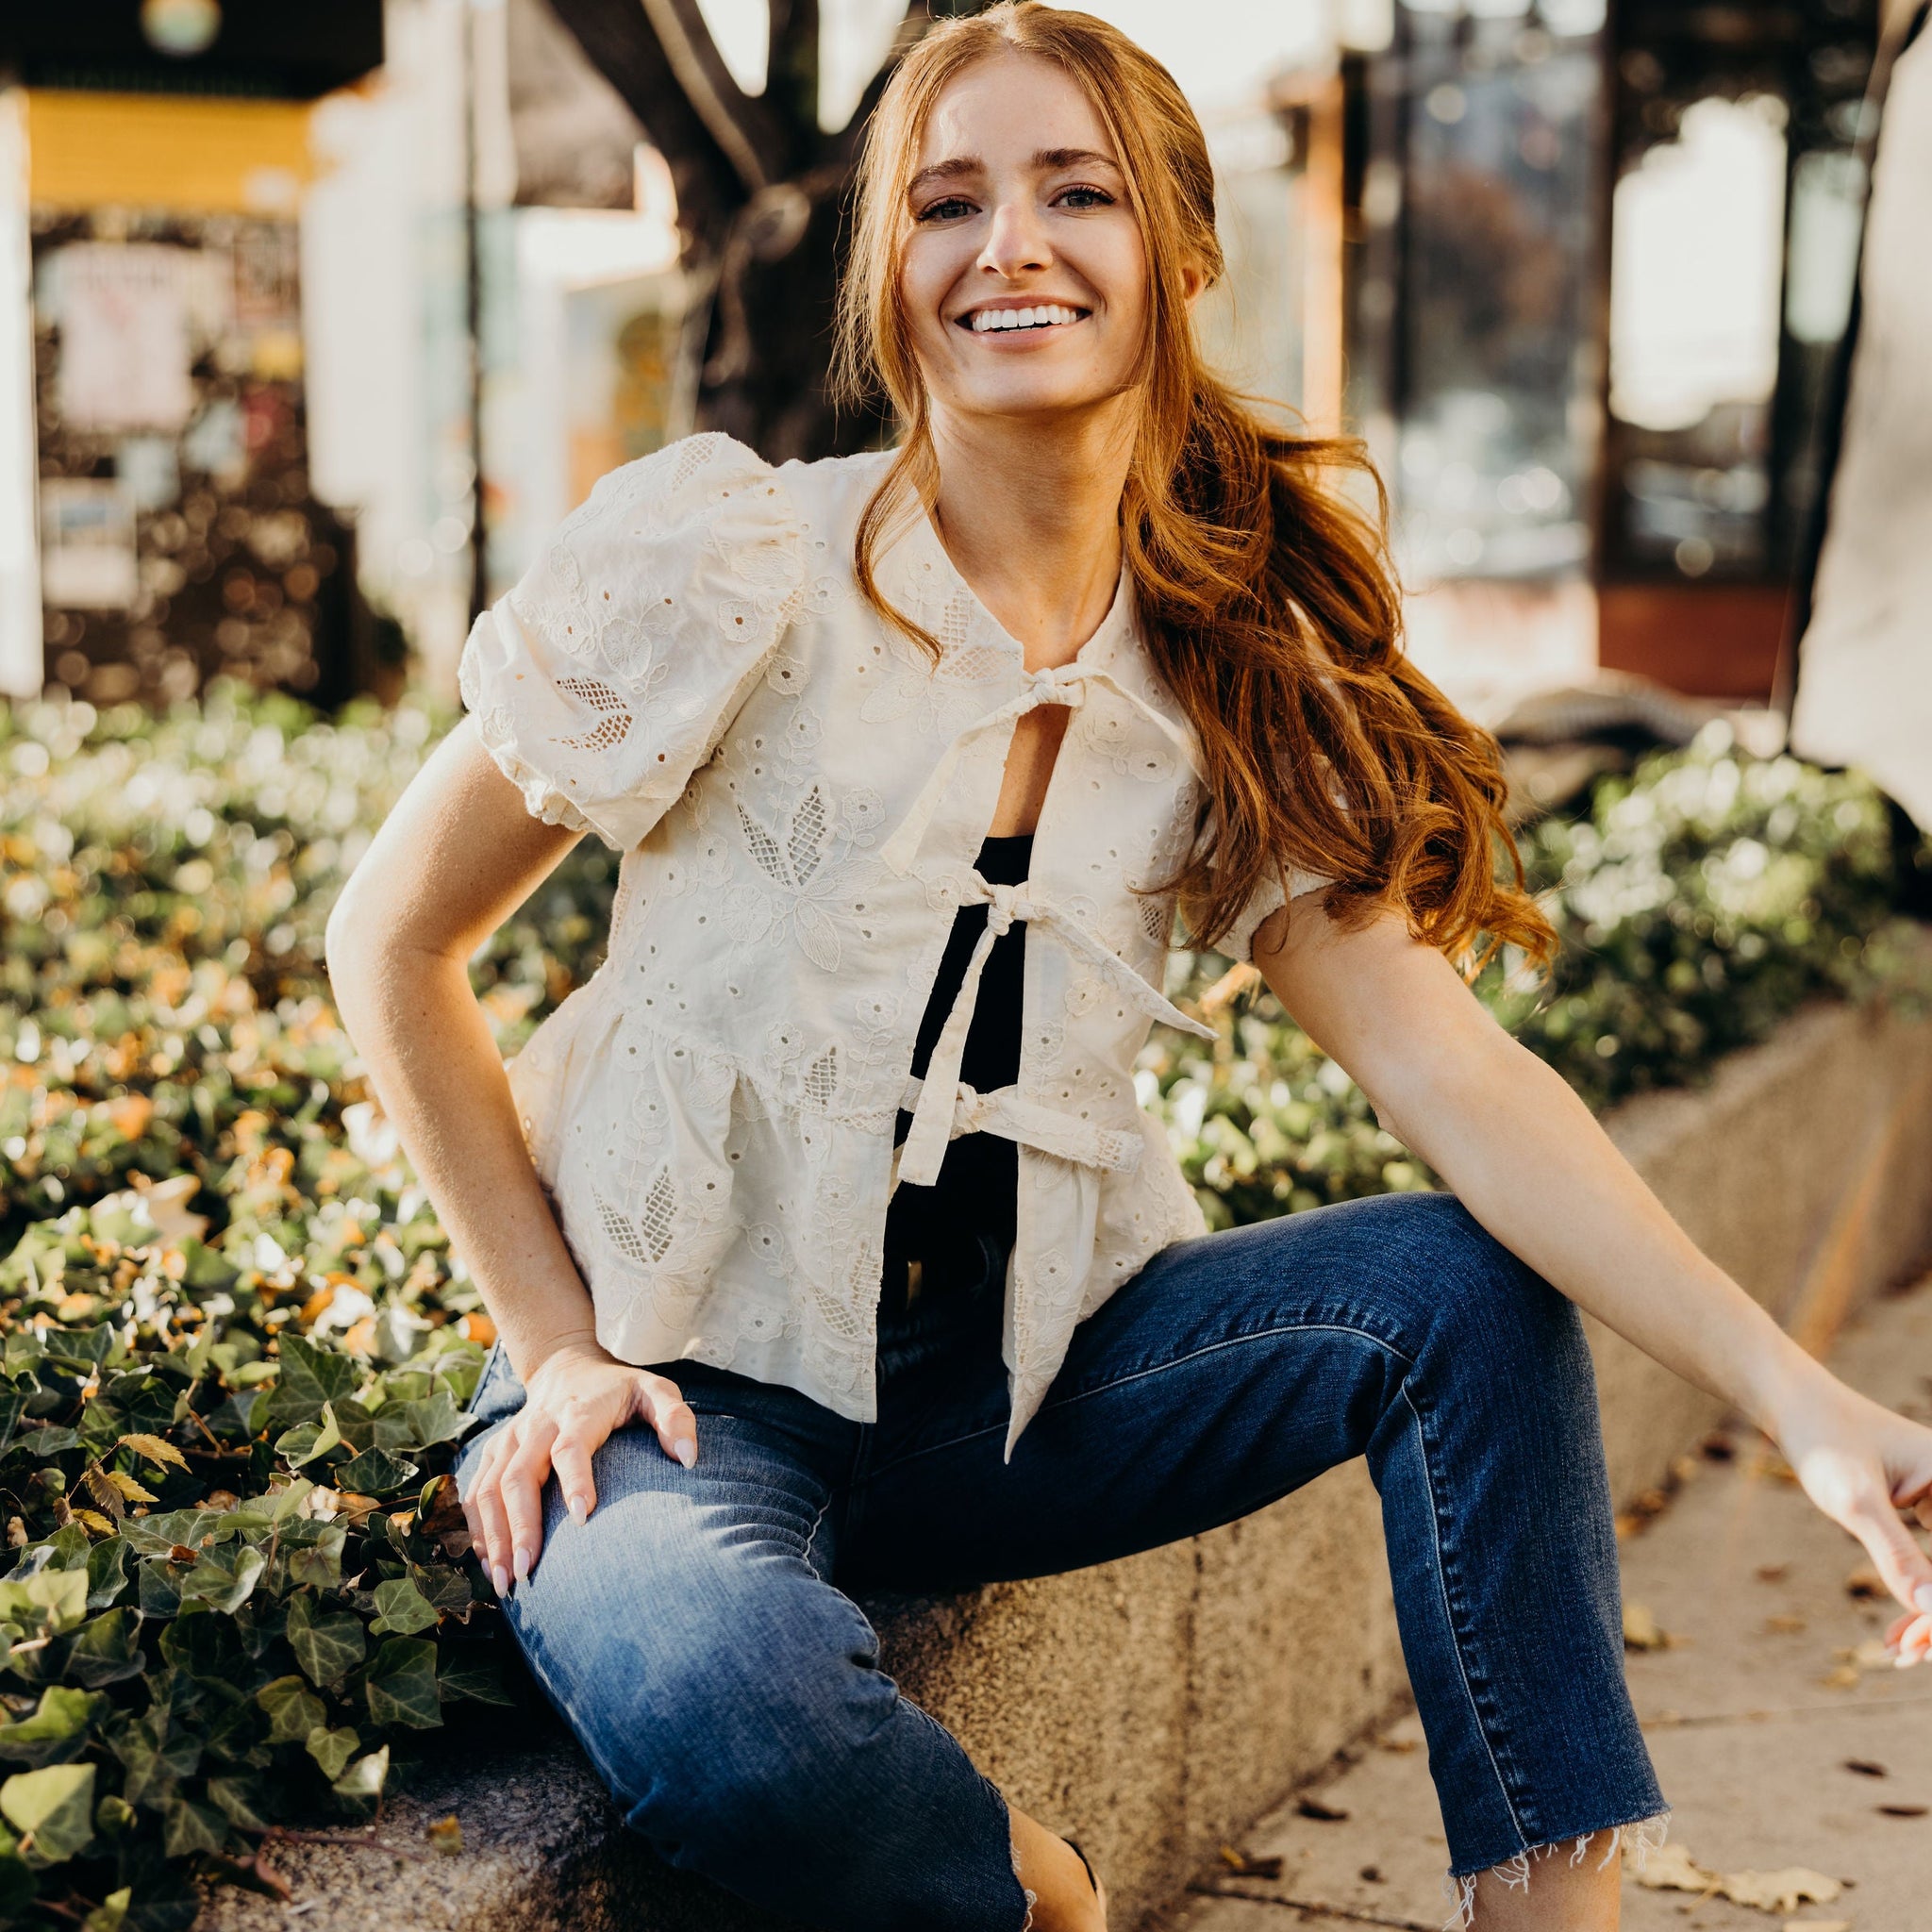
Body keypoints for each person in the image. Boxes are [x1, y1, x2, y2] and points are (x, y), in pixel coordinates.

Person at [324, 8, 1932, 1928]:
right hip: (682, 1388)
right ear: (890, 274)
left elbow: (1459, 1079)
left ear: (1177, 252)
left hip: (1018, 1392)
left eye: (1072, 192)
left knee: (1464, 1291)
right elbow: (393, 939)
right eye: (948, 203)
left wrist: (1800, 1402)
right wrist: (553, 1346)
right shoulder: (734, 560)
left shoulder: (1222, 671)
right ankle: (1046, 1897)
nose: (1007, 244)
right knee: (714, 1690)